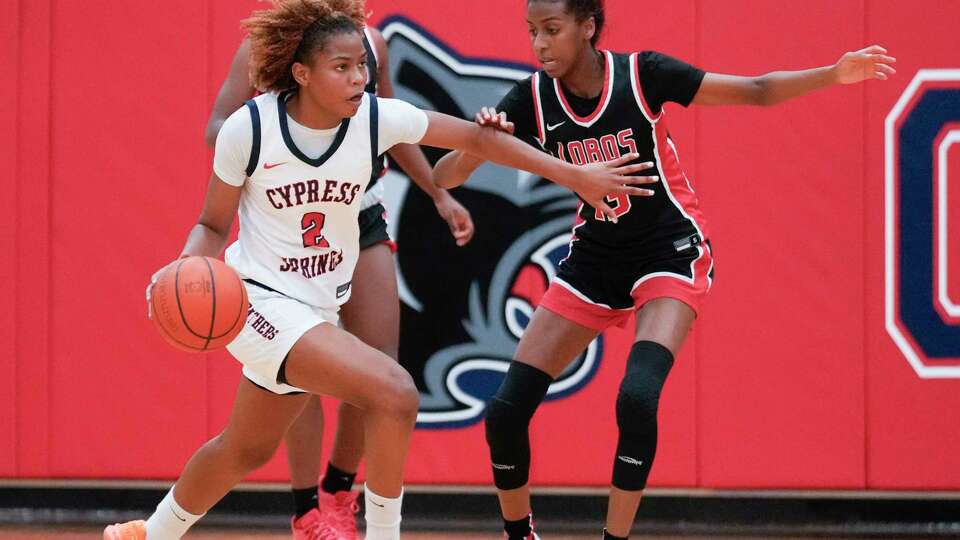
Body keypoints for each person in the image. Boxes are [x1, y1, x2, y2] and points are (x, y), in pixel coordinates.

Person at [103, 0, 658, 539]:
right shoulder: (249, 130)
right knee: (395, 391)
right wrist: (184, 266)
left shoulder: (374, 120)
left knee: (244, 449)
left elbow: (477, 139)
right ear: (302, 72)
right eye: (342, 68)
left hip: (316, 302)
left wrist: (575, 176)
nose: (358, 79)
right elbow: (212, 224)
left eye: (362, 66)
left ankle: (147, 533)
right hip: (258, 302)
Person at [432, 1, 896, 538]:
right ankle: (520, 536)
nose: (539, 44)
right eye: (532, 32)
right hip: (594, 261)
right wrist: (477, 141)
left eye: (552, 30)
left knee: (637, 396)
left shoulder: (642, 74)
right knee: (505, 414)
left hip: (667, 249)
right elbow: (446, 175)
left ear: (587, 27)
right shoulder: (532, 96)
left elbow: (757, 90)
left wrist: (834, 74)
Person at [205, 14, 477, 539]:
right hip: (289, 215)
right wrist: (273, 132)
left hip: (357, 210)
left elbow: (394, 126)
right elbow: (216, 127)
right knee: (300, 366)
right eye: (340, 68)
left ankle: (339, 491)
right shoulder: (263, 51)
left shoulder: (371, 45)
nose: (354, 77)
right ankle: (307, 509)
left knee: (379, 365)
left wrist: (438, 193)